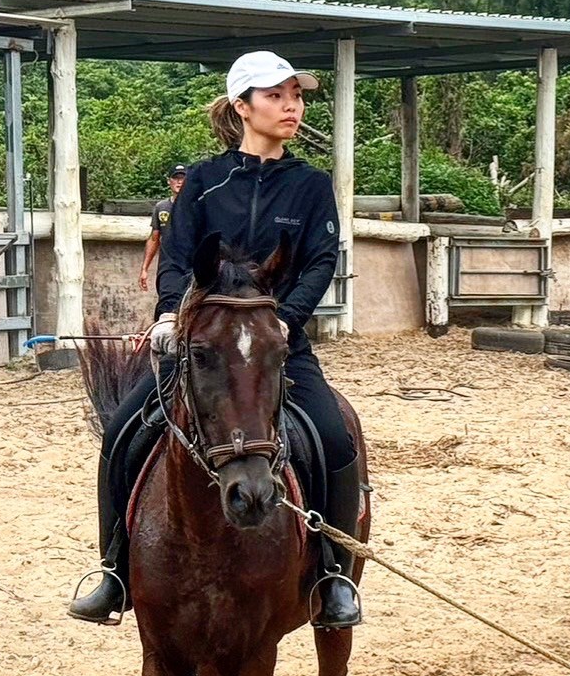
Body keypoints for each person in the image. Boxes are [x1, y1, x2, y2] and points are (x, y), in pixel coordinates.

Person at [69, 50, 362, 630]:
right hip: (201, 344)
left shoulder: (309, 186)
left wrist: (289, 319)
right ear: (242, 106)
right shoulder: (202, 181)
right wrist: (171, 313)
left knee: (333, 436)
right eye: (276, 96)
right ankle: (115, 570)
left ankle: (332, 572)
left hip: (277, 342)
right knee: (124, 430)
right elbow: (177, 258)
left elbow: (320, 261)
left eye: (296, 97)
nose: (291, 107)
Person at [138, 164, 186, 292]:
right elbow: (154, 239)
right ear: (169, 181)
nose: (179, 182)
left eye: (183, 178)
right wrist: (144, 269)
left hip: (191, 268)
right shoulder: (161, 207)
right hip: (168, 268)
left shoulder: (197, 207)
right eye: (176, 178)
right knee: (167, 306)